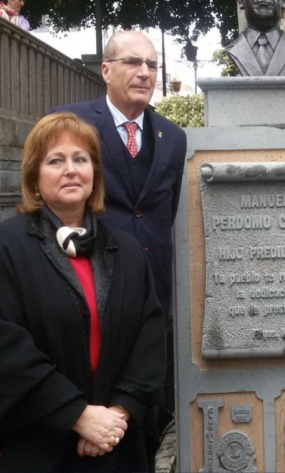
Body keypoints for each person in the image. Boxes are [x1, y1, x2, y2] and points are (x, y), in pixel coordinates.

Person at [0, 113, 165, 472]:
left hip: (116, 446)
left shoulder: (126, 249)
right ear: (34, 177)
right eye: (56, 160)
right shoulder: (7, 247)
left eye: (80, 159)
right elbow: (7, 347)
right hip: (39, 446)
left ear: (94, 174)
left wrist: (118, 414)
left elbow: (150, 336)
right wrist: (75, 414)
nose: (71, 170)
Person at [51, 29, 186, 435]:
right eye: (133, 62)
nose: (144, 72)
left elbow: (164, 210)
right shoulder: (72, 124)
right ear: (106, 70)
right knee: (89, 410)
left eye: (151, 65)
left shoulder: (174, 138)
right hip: (86, 292)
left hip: (149, 300)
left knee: (144, 418)